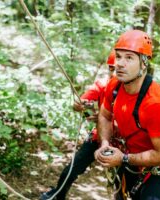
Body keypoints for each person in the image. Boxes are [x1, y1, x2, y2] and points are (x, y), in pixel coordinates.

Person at [94, 29, 160, 200]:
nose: (120, 63)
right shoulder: (115, 86)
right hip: (129, 159)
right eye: (118, 56)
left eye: (129, 58)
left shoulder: (157, 105)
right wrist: (104, 143)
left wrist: (124, 158)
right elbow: (105, 116)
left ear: (143, 63)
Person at [40, 50, 116, 200]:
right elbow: (79, 103)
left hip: (123, 141)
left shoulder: (132, 90)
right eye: (111, 69)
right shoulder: (103, 85)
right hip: (99, 136)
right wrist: (81, 105)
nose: (113, 73)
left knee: (123, 180)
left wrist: (104, 118)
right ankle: (58, 195)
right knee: (73, 168)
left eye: (116, 69)